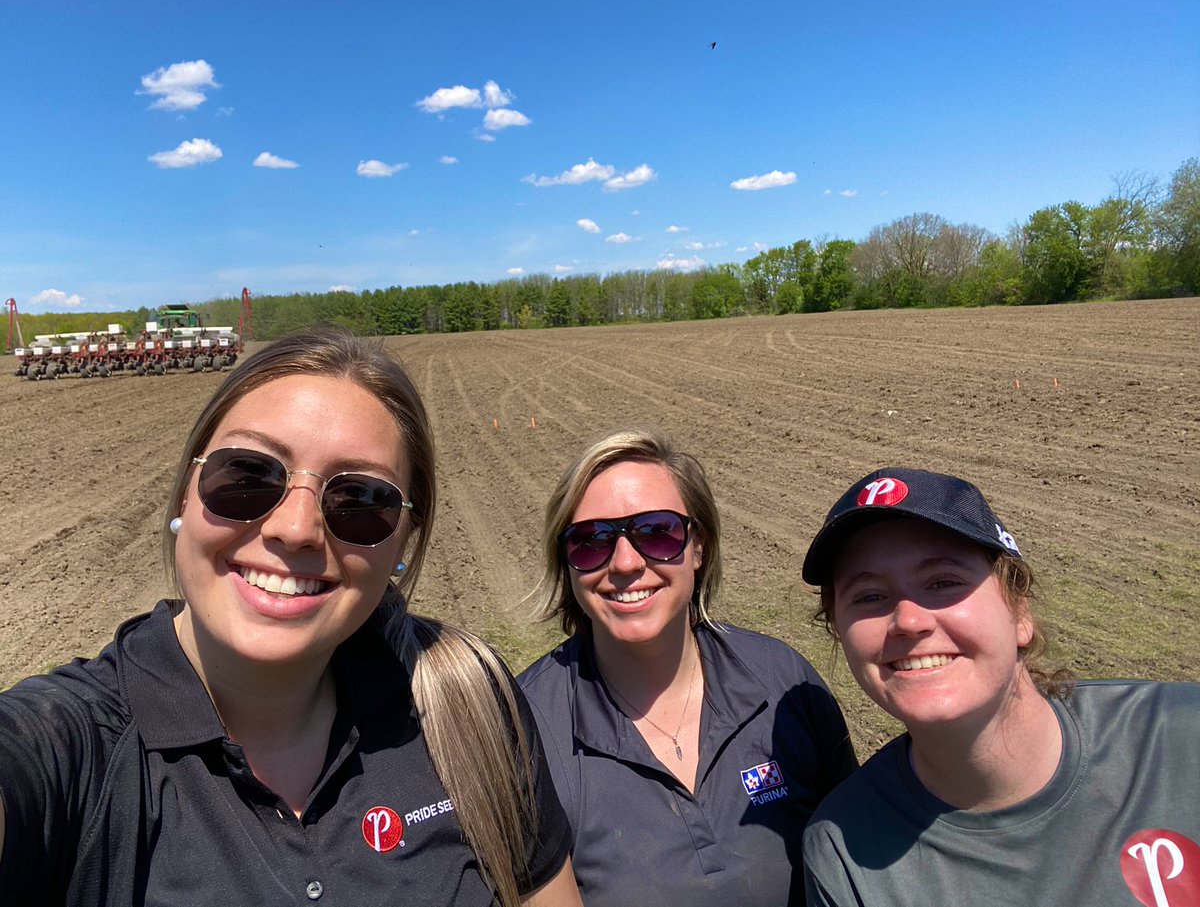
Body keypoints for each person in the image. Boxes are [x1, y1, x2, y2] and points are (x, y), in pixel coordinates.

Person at [0, 327, 579, 907]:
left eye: (361, 500)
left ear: (404, 537)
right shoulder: (70, 748)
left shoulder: (467, 705)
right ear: (184, 495)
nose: (295, 528)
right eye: (248, 475)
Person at [800, 467, 1200, 907]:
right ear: (840, 631)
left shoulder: (1181, 738)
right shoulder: (843, 850)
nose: (909, 621)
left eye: (943, 583)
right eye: (869, 596)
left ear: (1020, 613)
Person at [518, 429, 857, 907]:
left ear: (699, 547)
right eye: (591, 541)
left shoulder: (785, 684)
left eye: (657, 531)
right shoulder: (525, 729)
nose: (625, 562)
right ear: (567, 563)